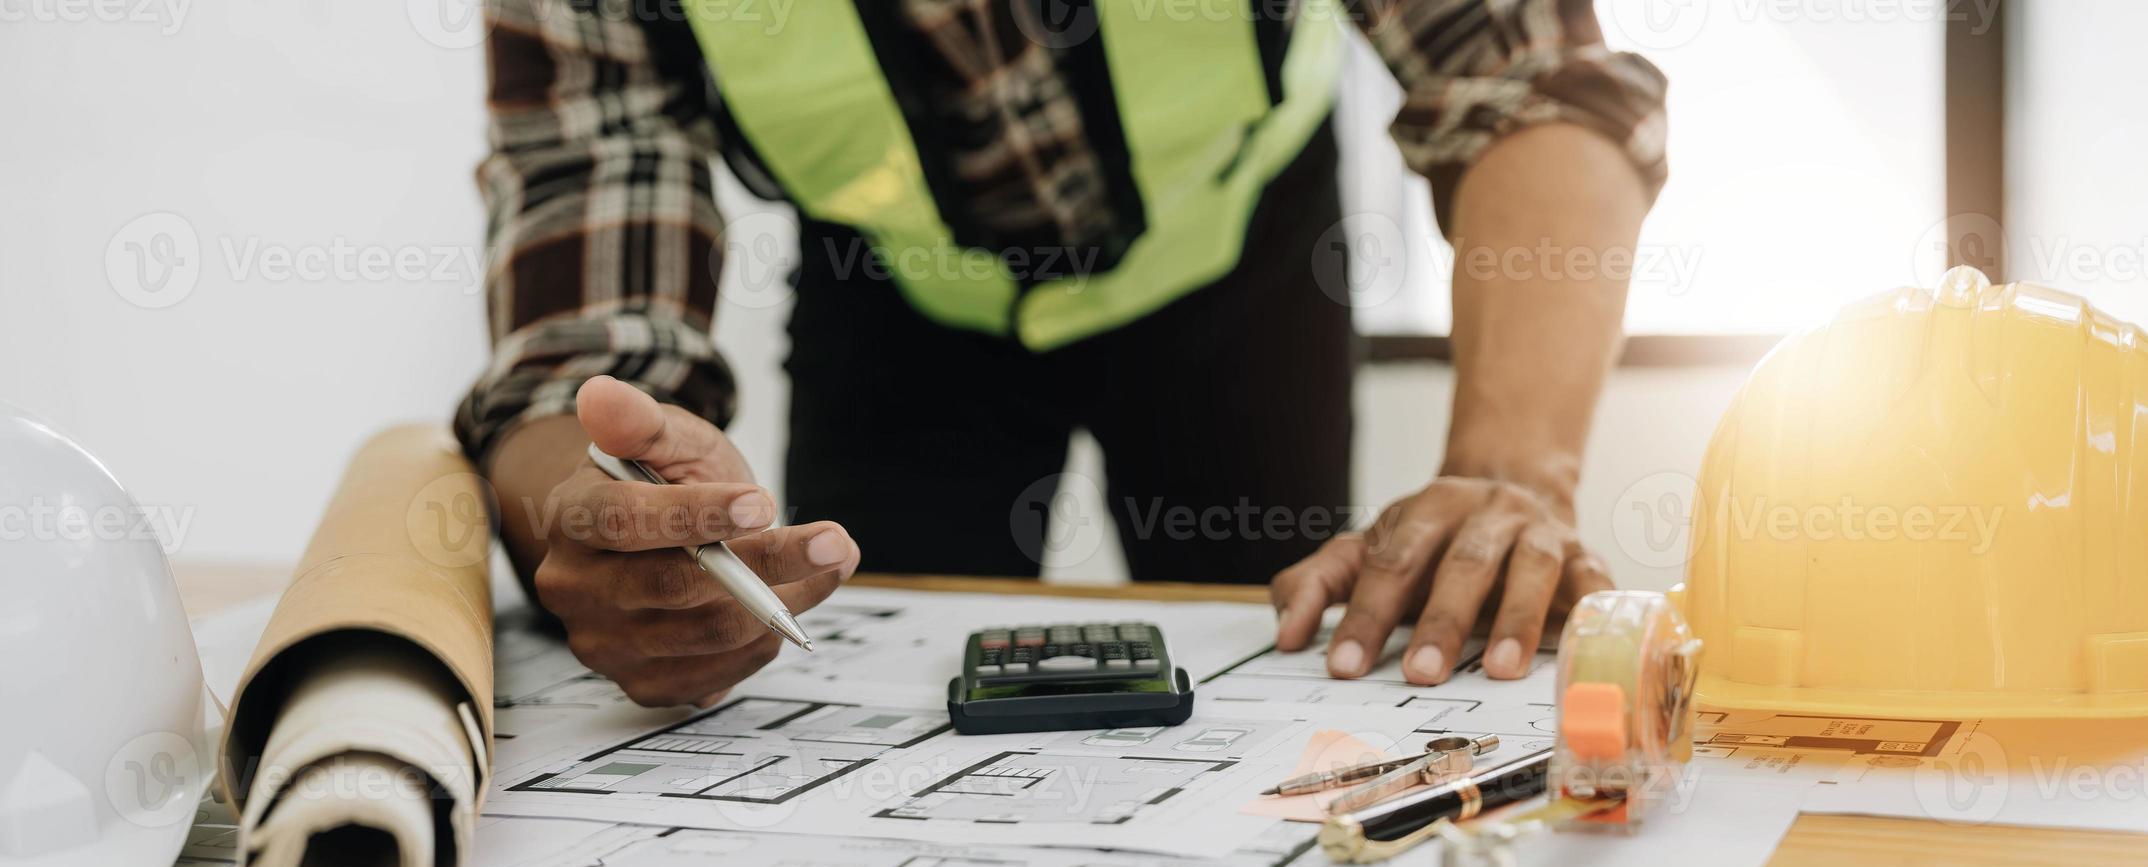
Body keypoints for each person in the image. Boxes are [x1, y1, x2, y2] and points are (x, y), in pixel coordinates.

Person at [455, 0, 1666, 707]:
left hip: (1238, 250)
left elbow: (1533, 79)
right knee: (873, 700)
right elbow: (581, 280)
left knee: (1301, 661)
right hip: (896, 291)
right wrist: (594, 506)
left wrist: (1516, 468)